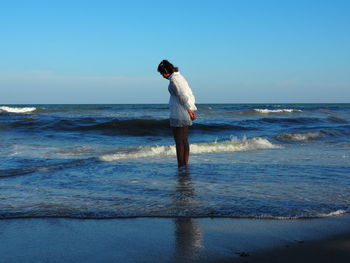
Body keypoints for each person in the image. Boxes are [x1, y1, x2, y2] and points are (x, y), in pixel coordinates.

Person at [157, 60, 197, 168]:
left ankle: (181, 166)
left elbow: (183, 96)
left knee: (179, 142)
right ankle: (185, 166)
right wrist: (191, 108)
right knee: (184, 140)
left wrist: (190, 110)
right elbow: (189, 93)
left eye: (162, 73)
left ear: (166, 71)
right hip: (183, 110)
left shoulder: (174, 80)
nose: (162, 76)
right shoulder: (180, 77)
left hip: (179, 111)